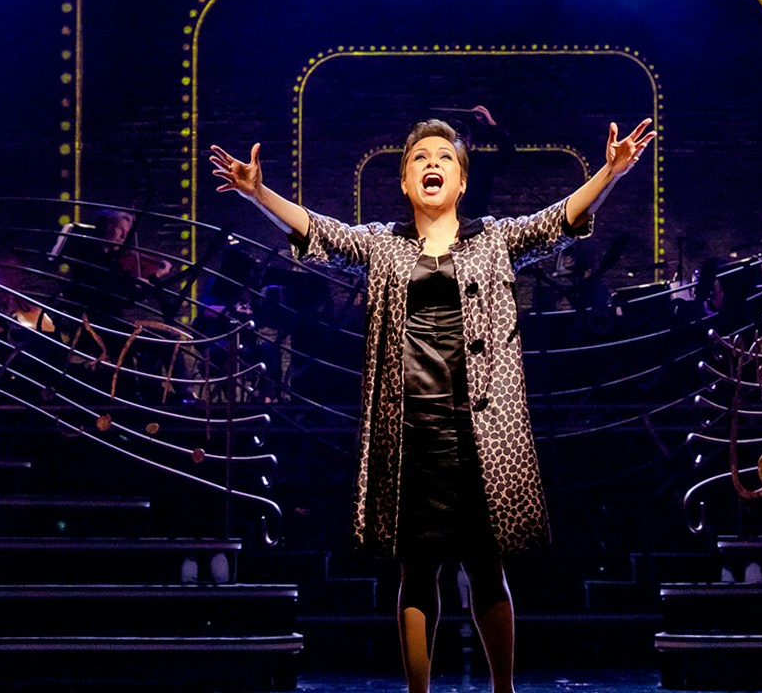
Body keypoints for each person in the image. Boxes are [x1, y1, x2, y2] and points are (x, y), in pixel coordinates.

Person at [209, 117, 654, 693]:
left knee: (487, 570)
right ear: (404, 180)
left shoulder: (493, 240)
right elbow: (321, 232)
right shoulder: (384, 246)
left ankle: (503, 691)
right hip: (411, 434)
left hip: (480, 433)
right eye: (419, 158)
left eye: (443, 156)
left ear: (462, 181)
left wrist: (610, 173)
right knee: (417, 572)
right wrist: (257, 192)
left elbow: (560, 220)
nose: (431, 164)